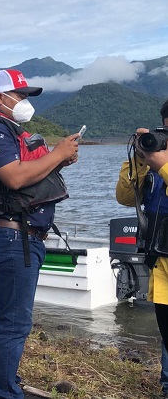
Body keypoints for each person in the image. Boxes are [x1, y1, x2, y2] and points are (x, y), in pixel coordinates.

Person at [0, 69, 80, 399]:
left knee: (13, 321)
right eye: (22, 95)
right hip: (12, 238)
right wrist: (56, 154)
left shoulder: (4, 130)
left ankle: (7, 386)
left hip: (19, 238)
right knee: (12, 324)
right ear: (1, 98)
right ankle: (4, 393)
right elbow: (14, 178)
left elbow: (24, 176)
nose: (26, 102)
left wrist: (57, 160)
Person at [115, 99, 168, 398]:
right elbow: (125, 197)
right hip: (160, 258)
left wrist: (163, 166)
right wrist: (139, 159)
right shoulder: (155, 159)